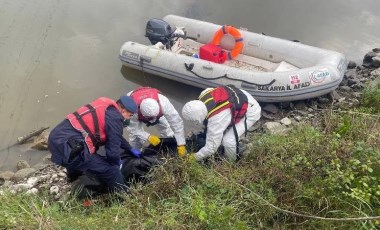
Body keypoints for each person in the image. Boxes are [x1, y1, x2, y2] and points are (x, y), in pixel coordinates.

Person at [48, 96, 141, 193]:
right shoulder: (116, 118)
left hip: (55, 138)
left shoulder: (106, 108)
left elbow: (116, 136)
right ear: (123, 111)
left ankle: (72, 180)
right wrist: (117, 162)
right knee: (112, 170)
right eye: (130, 115)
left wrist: (129, 148)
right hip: (68, 148)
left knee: (77, 160)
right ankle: (124, 197)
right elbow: (112, 153)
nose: (129, 119)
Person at [181, 85, 261, 162]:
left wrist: (193, 157)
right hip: (241, 96)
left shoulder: (216, 119)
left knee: (228, 141)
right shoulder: (203, 95)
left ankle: (231, 162)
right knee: (219, 134)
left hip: (250, 111)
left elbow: (211, 148)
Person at [126, 87, 186, 157]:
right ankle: (136, 153)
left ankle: (169, 145)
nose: (153, 120)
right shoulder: (132, 109)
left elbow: (176, 123)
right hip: (135, 106)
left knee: (165, 127)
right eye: (150, 118)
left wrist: (181, 143)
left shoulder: (163, 103)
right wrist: (148, 137)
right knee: (135, 138)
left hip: (155, 110)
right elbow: (133, 129)